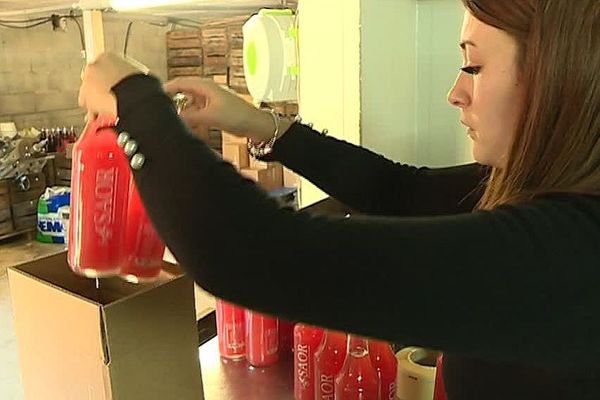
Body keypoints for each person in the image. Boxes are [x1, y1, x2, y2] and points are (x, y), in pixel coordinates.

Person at [78, 0, 600, 398]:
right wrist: (259, 123)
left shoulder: (574, 253)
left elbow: (245, 252)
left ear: (556, 79)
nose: (455, 93)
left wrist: (136, 102)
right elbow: (401, 190)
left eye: (474, 67)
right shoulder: (534, 192)